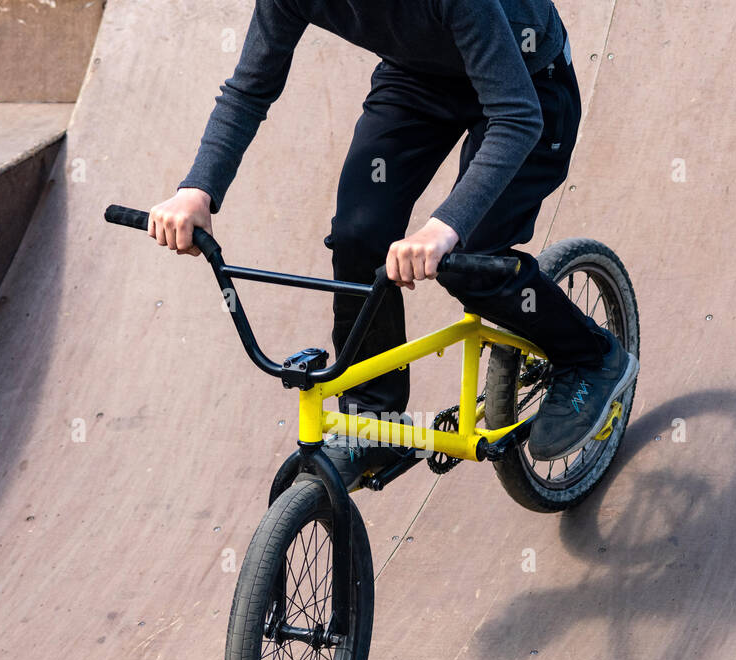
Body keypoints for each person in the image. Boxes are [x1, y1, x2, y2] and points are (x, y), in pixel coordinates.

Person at [150, 0, 637, 488]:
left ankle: (590, 355)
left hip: (527, 81)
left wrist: (444, 226)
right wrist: (198, 190)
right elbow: (249, 89)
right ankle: (374, 423)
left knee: (470, 260)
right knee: (359, 236)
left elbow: (515, 118)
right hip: (419, 80)